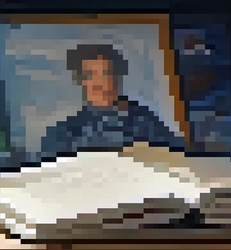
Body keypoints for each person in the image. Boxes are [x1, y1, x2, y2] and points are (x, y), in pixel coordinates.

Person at [36, 43, 183, 162]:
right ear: (81, 81)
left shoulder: (144, 120)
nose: (103, 83)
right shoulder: (63, 133)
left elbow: (178, 156)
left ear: (118, 77)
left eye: (107, 73)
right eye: (92, 75)